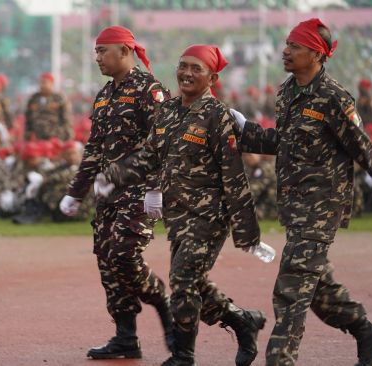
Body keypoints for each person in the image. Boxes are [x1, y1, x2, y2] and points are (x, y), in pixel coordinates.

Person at [229, 18, 372, 366]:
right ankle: (367, 332)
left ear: (315, 53)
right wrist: (245, 131)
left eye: (294, 46)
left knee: (293, 284)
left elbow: (363, 147)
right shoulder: (287, 92)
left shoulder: (333, 97)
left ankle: (280, 359)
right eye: (286, 44)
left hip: (322, 205)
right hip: (294, 204)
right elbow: (284, 143)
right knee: (317, 288)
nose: (285, 51)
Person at [96, 44, 266, 366]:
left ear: (212, 77)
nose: (187, 73)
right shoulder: (169, 111)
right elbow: (148, 156)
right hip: (178, 216)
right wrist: (112, 174)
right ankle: (242, 321)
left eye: (196, 69)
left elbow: (233, 173)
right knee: (195, 281)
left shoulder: (218, 116)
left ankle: (183, 357)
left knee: (183, 279)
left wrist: (246, 230)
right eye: (183, 65)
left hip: (209, 216)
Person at [59, 25, 174, 360]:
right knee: (108, 262)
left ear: (125, 51)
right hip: (108, 196)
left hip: (138, 193)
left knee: (124, 256)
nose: (97, 58)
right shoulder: (105, 94)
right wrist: (75, 192)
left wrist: (156, 188)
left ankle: (162, 302)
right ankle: (126, 338)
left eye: (102, 51)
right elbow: (94, 150)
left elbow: (162, 144)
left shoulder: (149, 90)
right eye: (95, 52)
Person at [24, 72, 73, 141]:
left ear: (51, 83)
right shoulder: (33, 99)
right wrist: (27, 134)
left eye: (45, 82)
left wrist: (67, 136)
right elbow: (28, 119)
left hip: (55, 136)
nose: (42, 85)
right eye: (41, 83)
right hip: (37, 137)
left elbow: (66, 119)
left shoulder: (59, 98)